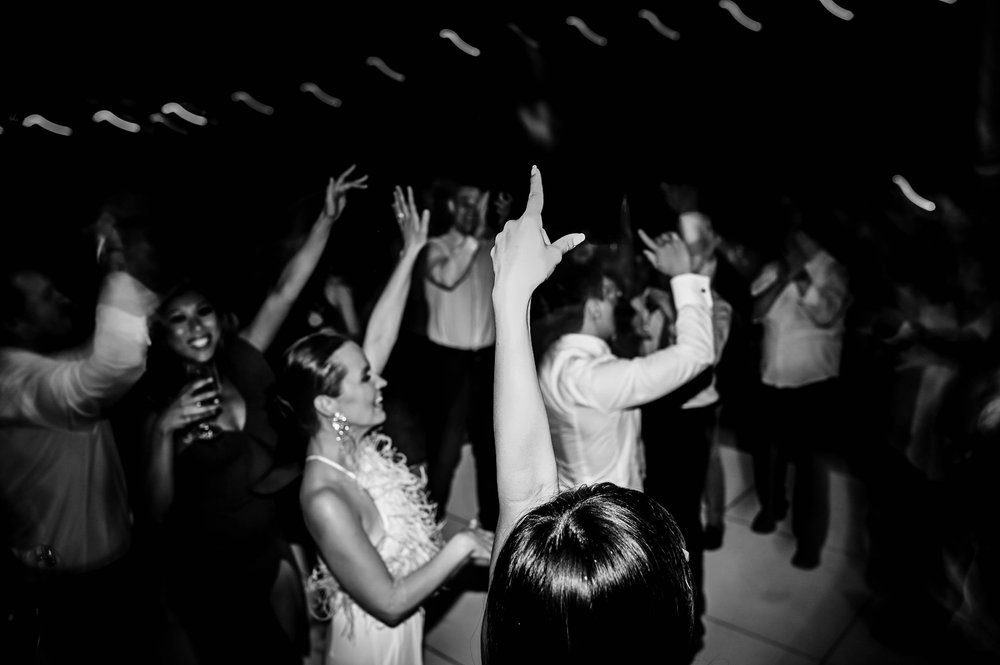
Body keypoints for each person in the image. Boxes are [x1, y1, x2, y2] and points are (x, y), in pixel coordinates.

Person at [136, 166, 367, 664]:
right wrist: (162, 432)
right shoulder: (157, 407)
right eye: (179, 320)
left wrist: (324, 222)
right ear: (164, 335)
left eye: (203, 313)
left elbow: (283, 292)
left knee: (296, 654)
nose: (195, 327)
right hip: (209, 571)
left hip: (271, 546)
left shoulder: (242, 358)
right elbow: (155, 514)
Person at [484, 166, 696, 665]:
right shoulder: (591, 373)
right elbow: (695, 356)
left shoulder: (504, 642)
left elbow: (527, 491)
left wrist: (510, 297)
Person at [279, 184, 493, 665]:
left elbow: (379, 335)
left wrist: (413, 250)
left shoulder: (351, 436)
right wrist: (460, 544)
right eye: (365, 377)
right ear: (329, 404)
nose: (380, 381)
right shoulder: (324, 498)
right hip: (372, 648)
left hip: (406, 634)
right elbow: (391, 603)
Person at [0, 219, 157, 665]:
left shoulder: (39, 363)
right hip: (63, 573)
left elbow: (94, 357)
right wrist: (117, 271)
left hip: (107, 558)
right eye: (48, 299)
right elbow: (104, 374)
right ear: (14, 319)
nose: (64, 300)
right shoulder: (10, 380)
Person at [533, 216, 715, 492]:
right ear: (593, 307)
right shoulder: (588, 377)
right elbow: (697, 353)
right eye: (610, 295)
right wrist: (684, 275)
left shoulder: (555, 356)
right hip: (608, 517)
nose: (618, 299)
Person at [748, 199, 851, 569]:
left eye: (797, 233)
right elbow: (756, 310)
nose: (791, 239)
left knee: (809, 467)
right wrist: (783, 277)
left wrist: (801, 277)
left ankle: (809, 543)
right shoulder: (776, 268)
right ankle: (771, 508)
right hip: (772, 380)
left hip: (813, 387)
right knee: (767, 455)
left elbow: (826, 314)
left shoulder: (835, 272)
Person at [420, 179, 511, 529]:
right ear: (452, 207)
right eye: (465, 202)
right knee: (445, 451)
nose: (471, 209)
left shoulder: (491, 246)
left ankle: (493, 530)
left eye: (478, 202)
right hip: (448, 363)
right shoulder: (436, 247)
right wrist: (475, 235)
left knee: (491, 449)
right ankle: (426, 528)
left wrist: (503, 227)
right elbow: (447, 277)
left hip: (486, 360)